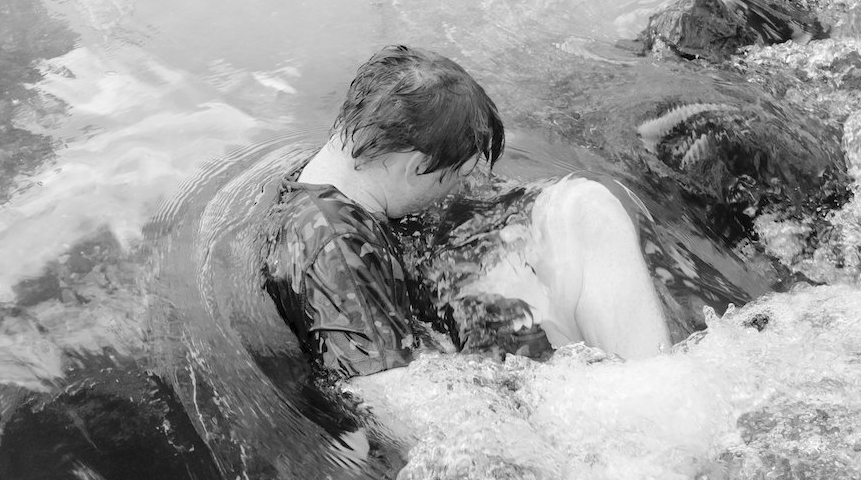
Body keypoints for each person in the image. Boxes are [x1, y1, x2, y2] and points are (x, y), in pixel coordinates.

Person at [260, 44, 671, 382]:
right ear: (416, 167)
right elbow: (383, 397)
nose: (460, 185)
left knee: (590, 209)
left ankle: (657, 388)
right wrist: (542, 387)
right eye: (456, 174)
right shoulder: (337, 253)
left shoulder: (321, 185)